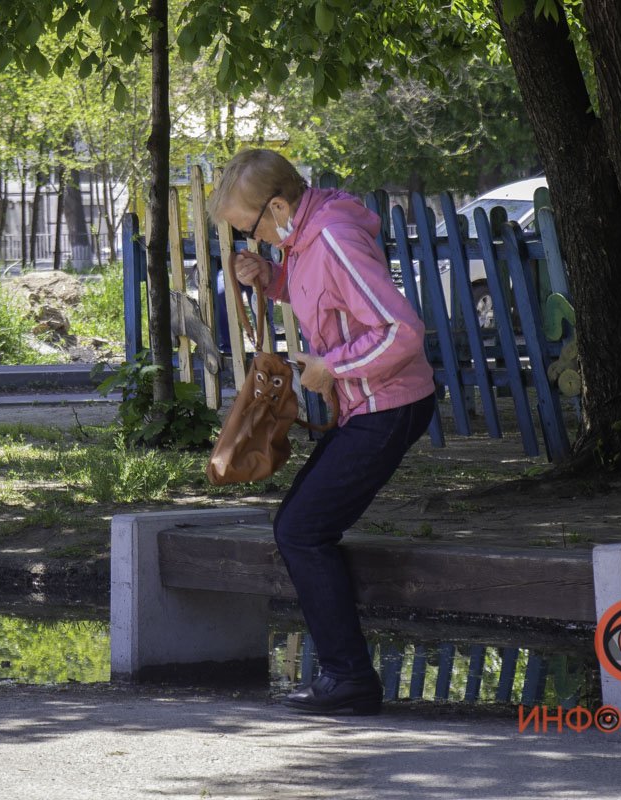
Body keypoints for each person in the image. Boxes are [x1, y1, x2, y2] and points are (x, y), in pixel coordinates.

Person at [208, 149, 437, 715]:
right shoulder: (310, 235)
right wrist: (272, 279)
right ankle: (344, 674)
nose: (253, 239)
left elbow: (402, 330)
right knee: (300, 525)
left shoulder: (332, 237)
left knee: (301, 530)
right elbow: (328, 294)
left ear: (277, 207)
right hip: (370, 407)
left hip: (387, 406)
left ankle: (349, 679)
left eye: (250, 229)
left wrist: (333, 368)